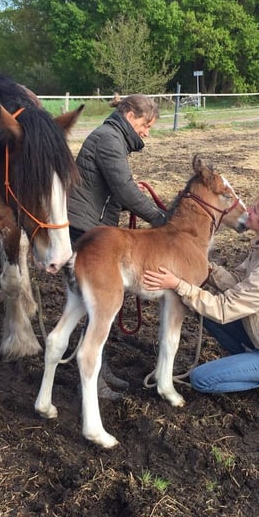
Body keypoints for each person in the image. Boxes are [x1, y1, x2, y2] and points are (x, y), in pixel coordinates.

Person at [142, 187, 259, 407]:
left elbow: (223, 309)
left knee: (202, 380)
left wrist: (179, 285)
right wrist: (201, 265)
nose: (248, 211)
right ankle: (249, 361)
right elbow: (237, 282)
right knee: (202, 312)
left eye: (254, 210)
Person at [68, 94, 168, 400]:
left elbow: (117, 186)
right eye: (145, 124)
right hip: (85, 230)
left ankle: (101, 368)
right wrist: (159, 217)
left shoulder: (111, 138)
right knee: (96, 307)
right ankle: (91, 375)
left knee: (100, 306)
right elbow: (124, 189)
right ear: (128, 114)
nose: (147, 132)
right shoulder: (109, 139)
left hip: (92, 225)